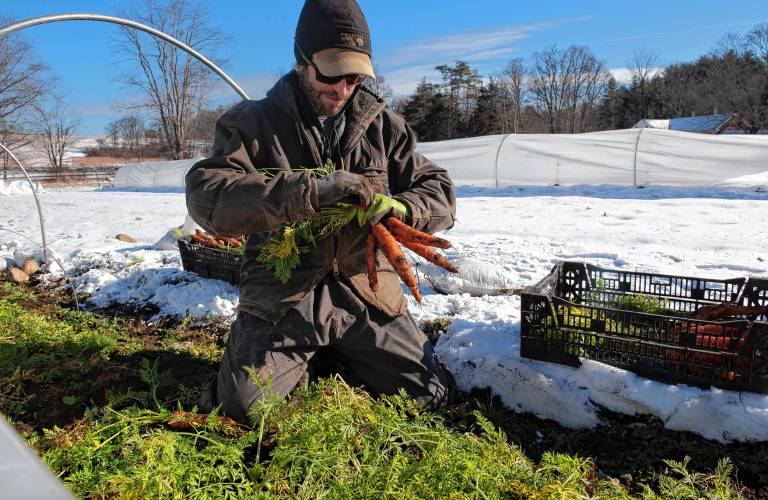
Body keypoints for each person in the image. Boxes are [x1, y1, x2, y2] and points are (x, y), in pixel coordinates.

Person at [185, 0, 456, 423]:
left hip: (366, 290)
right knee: (243, 410)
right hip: (284, 293)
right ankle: (305, 361)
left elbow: (440, 191)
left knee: (429, 395)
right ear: (301, 61)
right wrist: (307, 191)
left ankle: (334, 357)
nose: (342, 88)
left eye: (354, 76)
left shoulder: (387, 128)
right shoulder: (252, 124)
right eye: (330, 73)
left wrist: (403, 206)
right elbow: (207, 196)